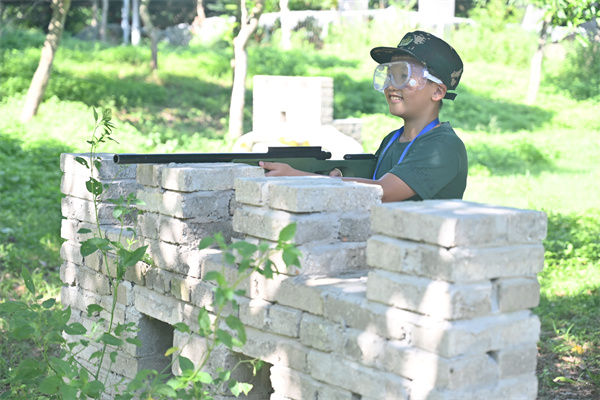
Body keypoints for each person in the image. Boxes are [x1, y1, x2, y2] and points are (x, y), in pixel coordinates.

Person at [259, 30, 468, 203]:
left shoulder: (443, 146)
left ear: (437, 92)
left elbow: (382, 191)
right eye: (390, 75)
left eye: (404, 76)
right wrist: (339, 178)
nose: (392, 85)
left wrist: (297, 177)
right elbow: (371, 183)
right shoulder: (392, 140)